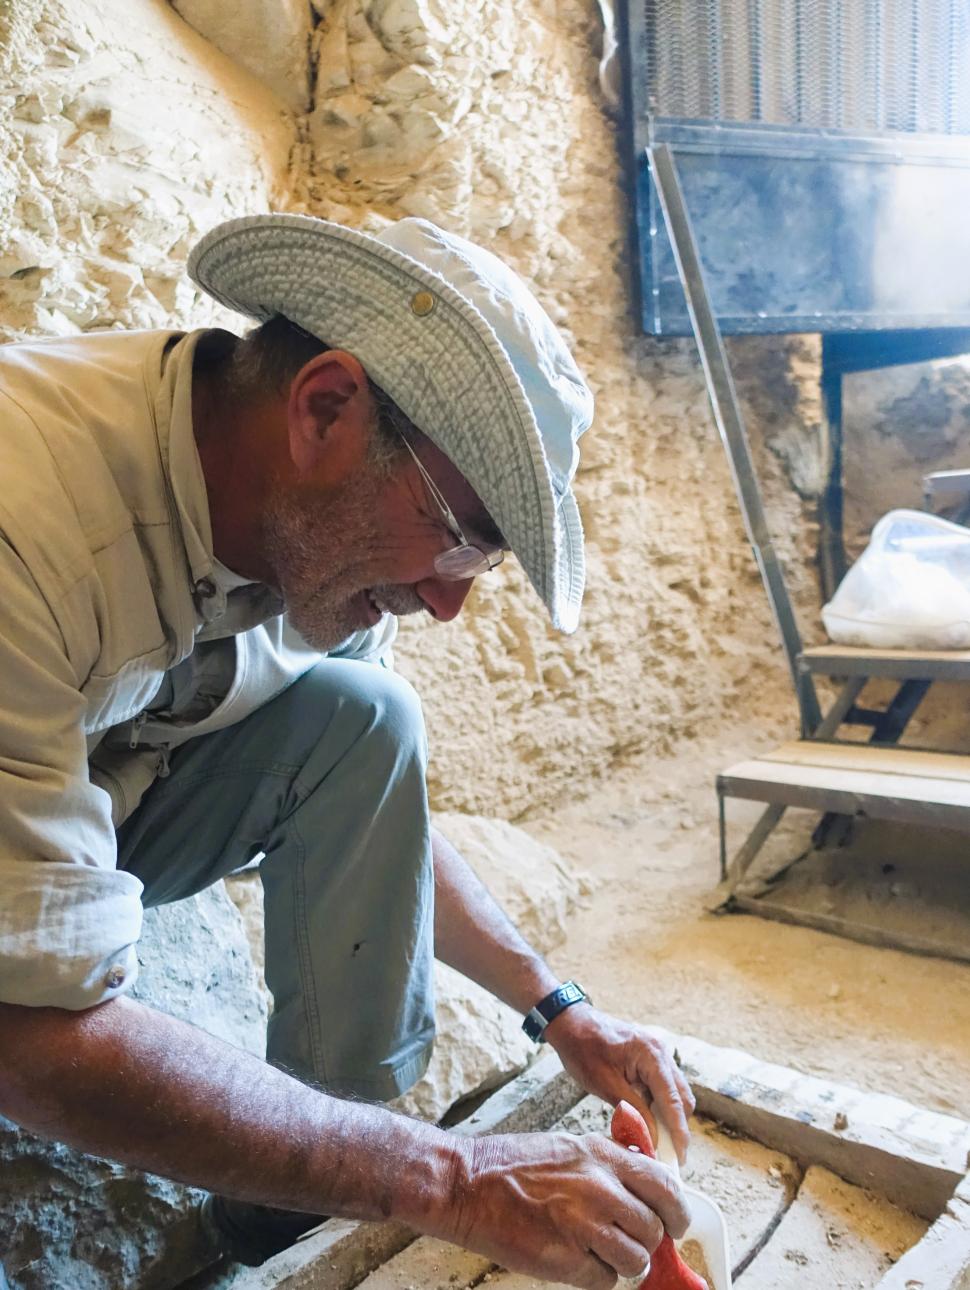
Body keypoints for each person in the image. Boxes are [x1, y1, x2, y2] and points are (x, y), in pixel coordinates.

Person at [0, 214, 694, 1282]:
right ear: (325, 408)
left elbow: (381, 804)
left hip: (84, 823)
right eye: (458, 540)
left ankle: (277, 1222)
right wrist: (448, 1178)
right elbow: (24, 1029)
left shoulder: (315, 541)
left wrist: (557, 1007)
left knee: (370, 721)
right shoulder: (26, 513)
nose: (446, 600)